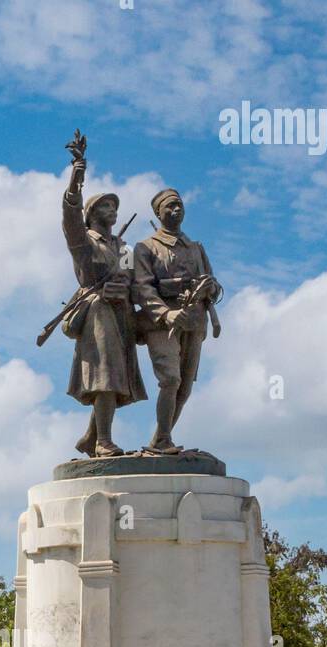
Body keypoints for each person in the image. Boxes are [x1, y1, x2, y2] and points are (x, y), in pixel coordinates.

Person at [61, 137, 147, 458]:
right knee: (105, 376)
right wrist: (76, 176)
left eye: (114, 206)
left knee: (115, 377)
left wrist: (124, 290)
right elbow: (70, 216)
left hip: (121, 313)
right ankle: (102, 441)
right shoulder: (84, 242)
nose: (112, 210)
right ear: (92, 213)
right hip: (96, 311)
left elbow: (130, 278)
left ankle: (90, 436)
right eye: (105, 205)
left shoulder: (122, 248)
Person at [133, 188, 221, 453]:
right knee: (170, 379)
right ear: (158, 213)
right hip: (162, 324)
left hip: (195, 323)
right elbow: (142, 289)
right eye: (169, 207)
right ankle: (162, 441)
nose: (176, 210)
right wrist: (167, 313)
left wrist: (210, 288)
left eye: (179, 205)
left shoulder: (196, 248)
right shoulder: (145, 248)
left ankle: (161, 439)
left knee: (184, 386)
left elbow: (214, 286)